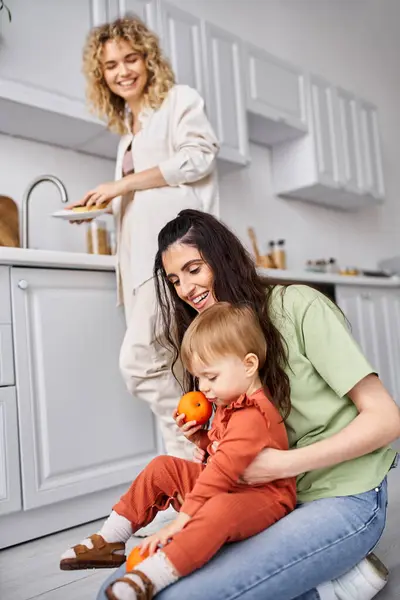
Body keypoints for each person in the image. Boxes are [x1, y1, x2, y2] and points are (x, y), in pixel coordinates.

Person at [97, 209, 400, 600]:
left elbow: (387, 419)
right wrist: (207, 441)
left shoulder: (297, 306)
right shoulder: (211, 342)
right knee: (115, 588)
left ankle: (332, 586)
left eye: (194, 269)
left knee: (176, 596)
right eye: (175, 280)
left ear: (223, 258)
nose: (186, 289)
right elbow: (240, 449)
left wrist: (283, 464)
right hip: (267, 500)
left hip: (342, 493)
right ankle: (332, 588)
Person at [60, 302, 297, 600]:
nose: (204, 387)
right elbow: (226, 453)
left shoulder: (252, 415)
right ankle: (112, 539)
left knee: (217, 509)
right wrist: (202, 440)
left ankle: (152, 576)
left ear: (249, 365)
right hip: (234, 483)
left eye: (211, 377)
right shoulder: (229, 401)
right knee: (163, 466)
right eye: (199, 377)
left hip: (264, 497)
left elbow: (223, 469)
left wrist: (181, 520)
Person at [72, 15, 219, 460]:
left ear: (148, 59)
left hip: (172, 260)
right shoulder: (128, 133)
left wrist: (122, 185)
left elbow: (199, 158)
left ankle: (205, 453)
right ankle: (197, 477)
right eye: (111, 65)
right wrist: (105, 205)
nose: (122, 71)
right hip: (139, 266)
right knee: (173, 369)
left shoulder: (179, 101)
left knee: (138, 362)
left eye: (130, 58)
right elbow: (140, 198)